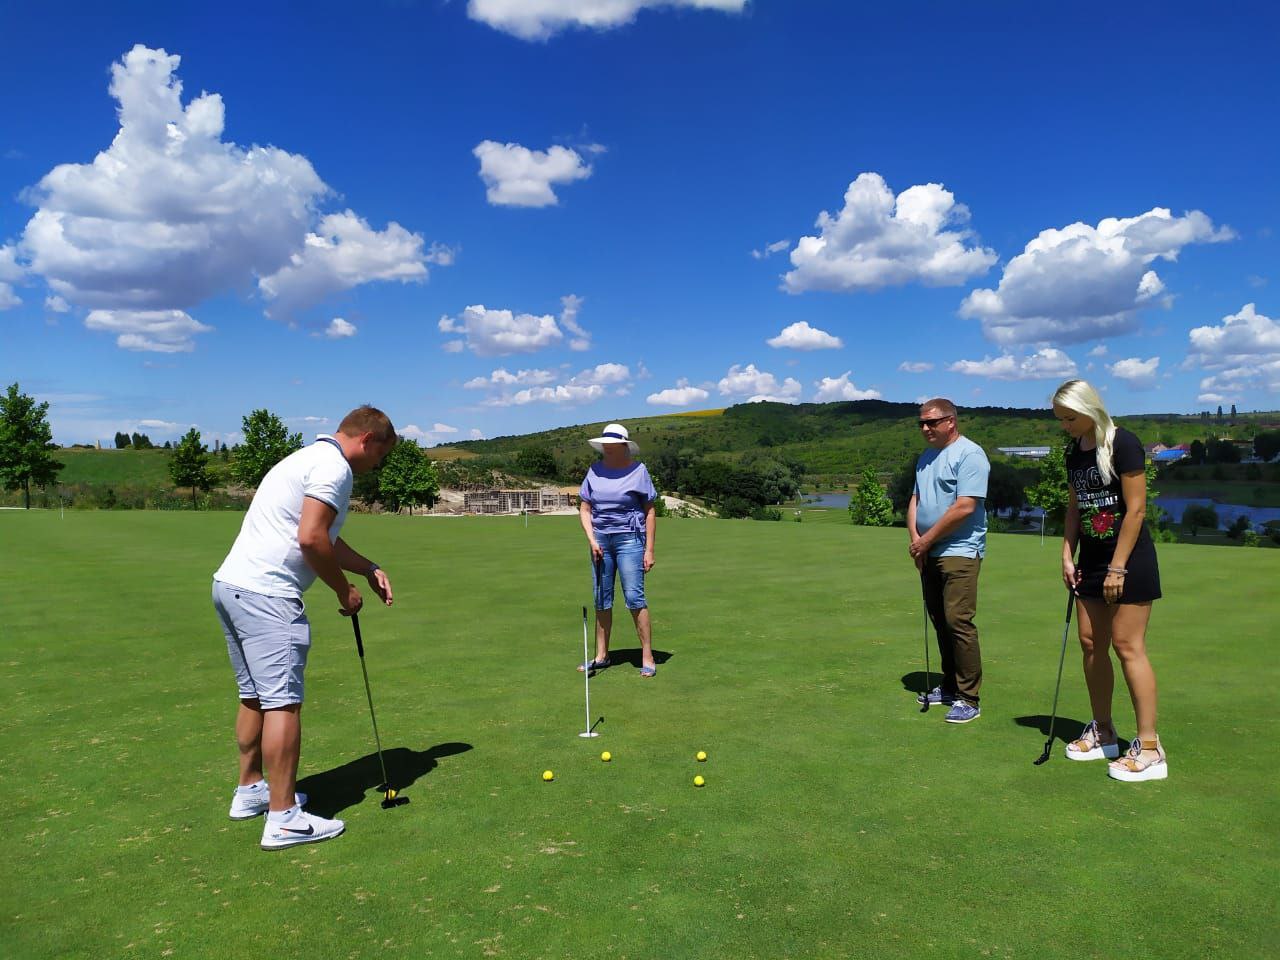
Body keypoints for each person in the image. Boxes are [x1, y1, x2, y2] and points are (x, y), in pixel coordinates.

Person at [212, 406, 397, 850]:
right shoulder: (335, 469)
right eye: (380, 456)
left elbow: (327, 536)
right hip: (268, 597)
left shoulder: (305, 458)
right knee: (283, 704)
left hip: (231, 586)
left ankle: (251, 788)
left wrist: (368, 567)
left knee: (255, 695)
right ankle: (283, 817)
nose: (377, 466)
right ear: (368, 439)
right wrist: (342, 590)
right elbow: (311, 538)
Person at [1052, 379, 1167, 782]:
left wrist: (1118, 567)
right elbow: (1073, 510)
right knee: (1090, 643)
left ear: (1090, 408)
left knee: (1127, 645)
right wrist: (1067, 553)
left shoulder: (1124, 443)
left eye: (1069, 417)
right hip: (1091, 561)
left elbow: (1135, 511)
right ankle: (1103, 731)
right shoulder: (1075, 452)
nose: (1064, 424)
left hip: (1129, 560)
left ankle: (1150, 748)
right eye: (1060, 419)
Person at [907, 398, 990, 724]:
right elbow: (916, 499)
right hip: (928, 550)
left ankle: (969, 698)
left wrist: (927, 540)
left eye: (932, 422)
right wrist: (916, 539)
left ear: (951, 421)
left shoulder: (970, 454)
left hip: (960, 549)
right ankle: (951, 685)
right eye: (922, 423)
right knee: (940, 620)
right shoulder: (926, 457)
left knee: (958, 621)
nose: (926, 428)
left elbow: (965, 506)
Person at [577, 422, 659, 677]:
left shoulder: (639, 471)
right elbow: (585, 508)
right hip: (601, 540)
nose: (607, 448)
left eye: (612, 444)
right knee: (602, 598)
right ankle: (602, 656)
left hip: (630, 540)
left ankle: (647, 655)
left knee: (635, 597)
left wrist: (649, 550)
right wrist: (592, 540)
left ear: (624, 446)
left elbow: (650, 510)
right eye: (605, 445)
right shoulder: (594, 470)